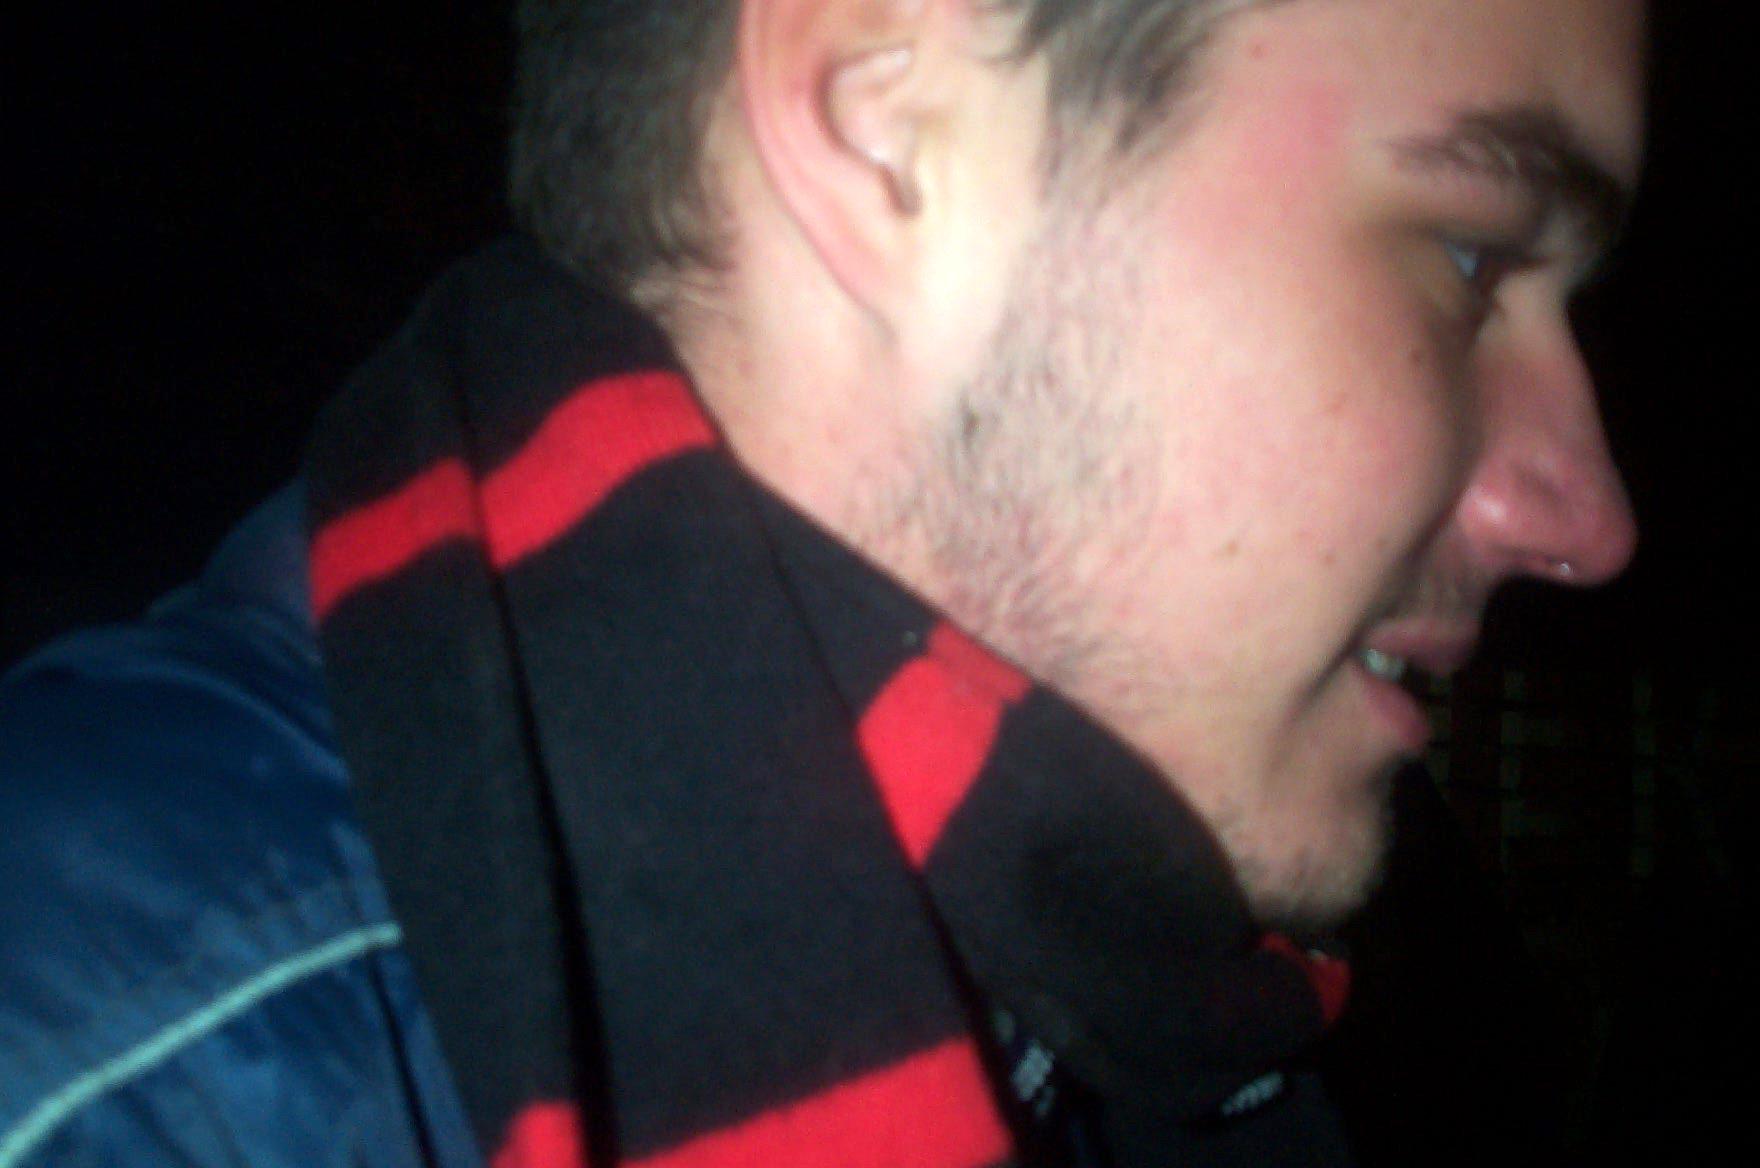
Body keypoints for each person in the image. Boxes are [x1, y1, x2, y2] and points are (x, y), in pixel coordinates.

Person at [0, 1, 1647, 1164]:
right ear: (890, 134)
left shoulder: (1142, 1016)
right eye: (1470, 255)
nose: (1588, 518)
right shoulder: (109, 1059)